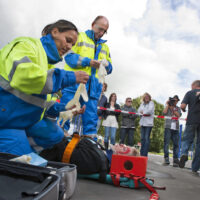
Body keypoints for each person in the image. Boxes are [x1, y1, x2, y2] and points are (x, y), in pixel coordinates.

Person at [0, 19, 89, 156]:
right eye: (68, 40)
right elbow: (24, 76)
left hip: (17, 118)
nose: (70, 47)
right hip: (5, 121)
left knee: (55, 134)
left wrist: (65, 109)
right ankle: (16, 147)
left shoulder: (46, 64)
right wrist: (69, 77)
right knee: (26, 165)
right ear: (54, 32)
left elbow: (39, 104)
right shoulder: (26, 45)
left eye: (72, 44)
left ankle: (20, 146)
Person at [61, 16, 113, 138]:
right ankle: (58, 142)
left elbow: (110, 68)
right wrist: (88, 62)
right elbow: (69, 58)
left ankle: (88, 145)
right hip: (74, 86)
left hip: (93, 90)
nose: (101, 33)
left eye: (104, 31)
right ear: (93, 24)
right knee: (65, 115)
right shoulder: (79, 37)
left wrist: (106, 65)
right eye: (100, 29)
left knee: (90, 123)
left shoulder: (105, 47)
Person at [179, 80, 200, 175]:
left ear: (194, 85)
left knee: (186, 139)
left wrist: (183, 109)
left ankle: (184, 153)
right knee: (199, 145)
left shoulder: (190, 93)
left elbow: (182, 106)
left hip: (191, 120)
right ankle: (195, 168)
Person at [162, 95, 182, 167]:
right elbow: (164, 113)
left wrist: (173, 109)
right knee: (166, 143)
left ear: (177, 101)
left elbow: (178, 115)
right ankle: (166, 158)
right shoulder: (168, 106)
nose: (174, 102)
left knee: (176, 145)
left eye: (176, 100)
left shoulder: (178, 108)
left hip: (176, 128)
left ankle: (175, 160)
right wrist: (167, 105)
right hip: (168, 127)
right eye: (173, 100)